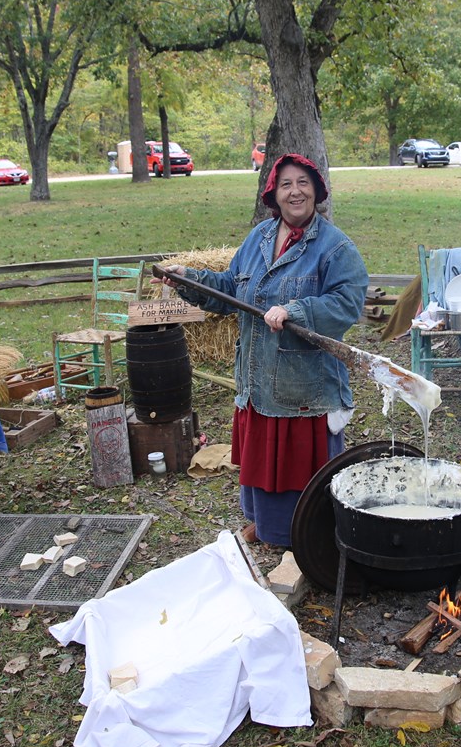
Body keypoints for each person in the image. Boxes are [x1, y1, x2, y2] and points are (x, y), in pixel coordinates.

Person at [156, 153, 368, 547]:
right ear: (274, 193)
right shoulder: (259, 238)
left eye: (303, 182)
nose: (295, 191)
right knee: (263, 457)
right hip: (257, 376)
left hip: (303, 383)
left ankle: (305, 533)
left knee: (298, 465)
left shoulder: (335, 248)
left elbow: (347, 304)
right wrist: (190, 280)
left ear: (317, 191)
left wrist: (295, 310)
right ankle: (268, 526)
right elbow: (230, 290)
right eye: (286, 184)